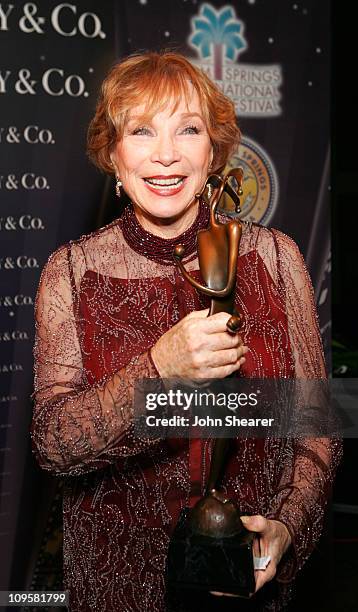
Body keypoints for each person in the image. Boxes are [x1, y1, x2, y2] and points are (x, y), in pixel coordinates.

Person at [31, 52, 341, 612]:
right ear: (112, 153)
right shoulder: (71, 272)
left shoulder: (274, 258)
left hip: (245, 578)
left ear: (213, 150)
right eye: (142, 130)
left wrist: (286, 528)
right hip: (117, 583)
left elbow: (315, 426)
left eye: (188, 129)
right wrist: (159, 368)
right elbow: (53, 444)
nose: (167, 154)